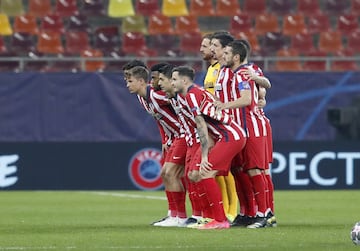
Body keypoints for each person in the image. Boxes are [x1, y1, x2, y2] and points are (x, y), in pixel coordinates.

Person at [171, 65, 247, 229]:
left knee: (205, 173)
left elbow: (201, 126)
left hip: (230, 136)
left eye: (175, 79)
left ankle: (219, 220)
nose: (172, 82)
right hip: (229, 135)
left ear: (184, 81)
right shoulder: (196, 92)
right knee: (202, 174)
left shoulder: (191, 95)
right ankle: (215, 218)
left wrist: (204, 156)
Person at [123, 63, 187, 227]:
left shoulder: (158, 96)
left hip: (183, 135)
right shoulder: (142, 98)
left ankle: (180, 217)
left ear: (141, 82)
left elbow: (180, 100)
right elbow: (160, 121)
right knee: (166, 174)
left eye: (130, 81)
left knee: (170, 173)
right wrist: (165, 140)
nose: (127, 84)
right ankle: (173, 214)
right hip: (172, 138)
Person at [215, 40, 270, 228]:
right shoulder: (229, 72)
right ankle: (248, 213)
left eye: (227, 53)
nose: (223, 55)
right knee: (239, 171)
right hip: (237, 128)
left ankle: (263, 215)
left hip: (250, 128)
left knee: (254, 170)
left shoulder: (243, 73)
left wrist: (223, 106)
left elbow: (246, 99)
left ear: (236, 57)